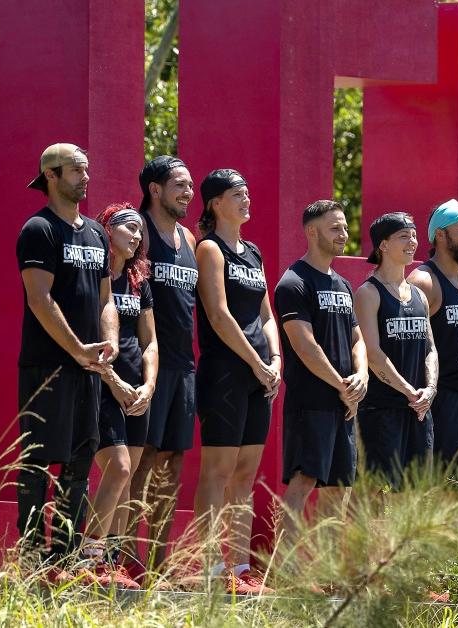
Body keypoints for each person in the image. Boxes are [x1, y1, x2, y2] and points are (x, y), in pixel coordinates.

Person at [15, 143, 118, 585]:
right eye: (76, 170)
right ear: (51, 175)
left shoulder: (95, 233)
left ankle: (68, 560)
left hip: (88, 369)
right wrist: (77, 348)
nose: (85, 177)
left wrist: (108, 342)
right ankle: (32, 560)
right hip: (48, 368)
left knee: (79, 465)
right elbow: (40, 299)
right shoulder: (38, 229)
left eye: (87, 169)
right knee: (39, 464)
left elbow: (107, 299)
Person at [191, 170, 280, 595]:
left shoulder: (254, 252)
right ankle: (211, 569)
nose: (245, 200)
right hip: (226, 370)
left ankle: (241, 569)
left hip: (259, 373)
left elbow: (266, 314)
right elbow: (218, 315)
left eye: (247, 192)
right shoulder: (209, 248)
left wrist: (275, 359)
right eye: (235, 195)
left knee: (245, 474)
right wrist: (254, 361)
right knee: (217, 471)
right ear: (214, 203)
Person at [274, 199, 368, 544]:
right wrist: (341, 384)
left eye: (344, 227)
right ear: (312, 232)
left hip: (345, 403)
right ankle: (289, 577)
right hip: (311, 401)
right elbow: (305, 345)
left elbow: (357, 339)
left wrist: (362, 376)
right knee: (304, 482)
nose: (343, 234)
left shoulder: (343, 284)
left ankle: (326, 578)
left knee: (338, 490)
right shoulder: (293, 282)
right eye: (335, 228)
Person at [126, 155, 199, 577]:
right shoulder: (138, 232)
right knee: (142, 457)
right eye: (179, 185)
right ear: (155, 189)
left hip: (184, 366)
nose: (188, 192)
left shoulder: (188, 238)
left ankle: (156, 561)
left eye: (190, 186)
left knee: (172, 461)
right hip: (145, 364)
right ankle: (121, 554)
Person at [81, 203, 156, 590]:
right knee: (119, 468)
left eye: (141, 231)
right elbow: (88, 342)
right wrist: (114, 383)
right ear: (107, 229)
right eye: (130, 229)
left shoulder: (139, 279)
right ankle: (88, 557)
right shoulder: (92, 275)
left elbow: (149, 341)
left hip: (136, 393)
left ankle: (113, 561)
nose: (137, 236)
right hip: (103, 387)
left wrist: (149, 385)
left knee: (127, 482)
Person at [407, 200, 458, 481]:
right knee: (446, 488)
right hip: (442, 400)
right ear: (440, 235)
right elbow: (412, 346)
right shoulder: (423, 281)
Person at [355, 213, 438, 489]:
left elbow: (430, 349)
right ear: (383, 245)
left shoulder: (419, 296)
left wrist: (430, 389)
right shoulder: (369, 292)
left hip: (418, 410)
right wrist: (408, 391)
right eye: (404, 236)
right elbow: (373, 353)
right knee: (378, 496)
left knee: (414, 498)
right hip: (382, 411)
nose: (412, 242)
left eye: (414, 236)